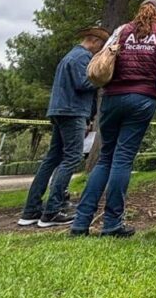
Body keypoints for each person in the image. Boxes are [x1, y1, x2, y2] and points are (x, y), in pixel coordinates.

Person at [70, 0, 156, 237]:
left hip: (112, 98)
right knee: (123, 159)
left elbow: (104, 58)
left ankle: (80, 221)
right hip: (142, 99)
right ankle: (112, 223)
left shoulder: (121, 31)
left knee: (105, 158)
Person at [17, 26, 108, 228]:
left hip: (59, 110)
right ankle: (52, 211)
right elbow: (84, 84)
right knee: (72, 157)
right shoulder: (81, 57)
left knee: (52, 158)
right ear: (93, 40)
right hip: (73, 111)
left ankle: (31, 209)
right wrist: (103, 77)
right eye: (100, 46)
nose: (99, 51)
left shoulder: (69, 57)